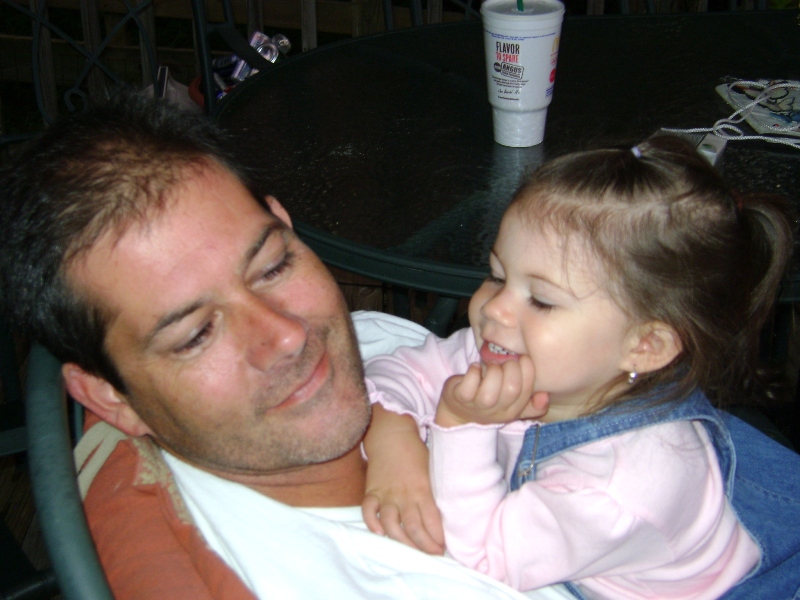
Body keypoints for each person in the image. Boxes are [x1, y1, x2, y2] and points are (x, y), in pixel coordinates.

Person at [0, 94, 574, 600]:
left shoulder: (378, 345)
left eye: (273, 266)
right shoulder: (322, 580)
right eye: (196, 335)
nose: (286, 335)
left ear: (285, 223)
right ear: (109, 397)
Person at [362, 136, 800, 599]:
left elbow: (483, 560)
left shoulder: (623, 485)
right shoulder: (511, 347)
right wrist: (395, 447)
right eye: (497, 275)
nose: (494, 309)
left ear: (645, 346)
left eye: (542, 300)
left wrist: (461, 425)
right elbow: (398, 371)